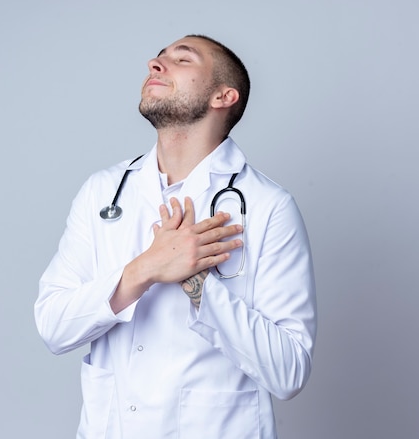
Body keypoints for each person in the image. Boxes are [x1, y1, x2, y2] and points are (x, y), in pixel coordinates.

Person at [35, 34, 317, 439]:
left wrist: (199, 284)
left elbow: (288, 371)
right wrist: (144, 269)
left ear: (223, 95)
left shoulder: (267, 206)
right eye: (158, 56)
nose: (155, 63)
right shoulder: (103, 191)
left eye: (182, 59)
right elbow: (53, 328)